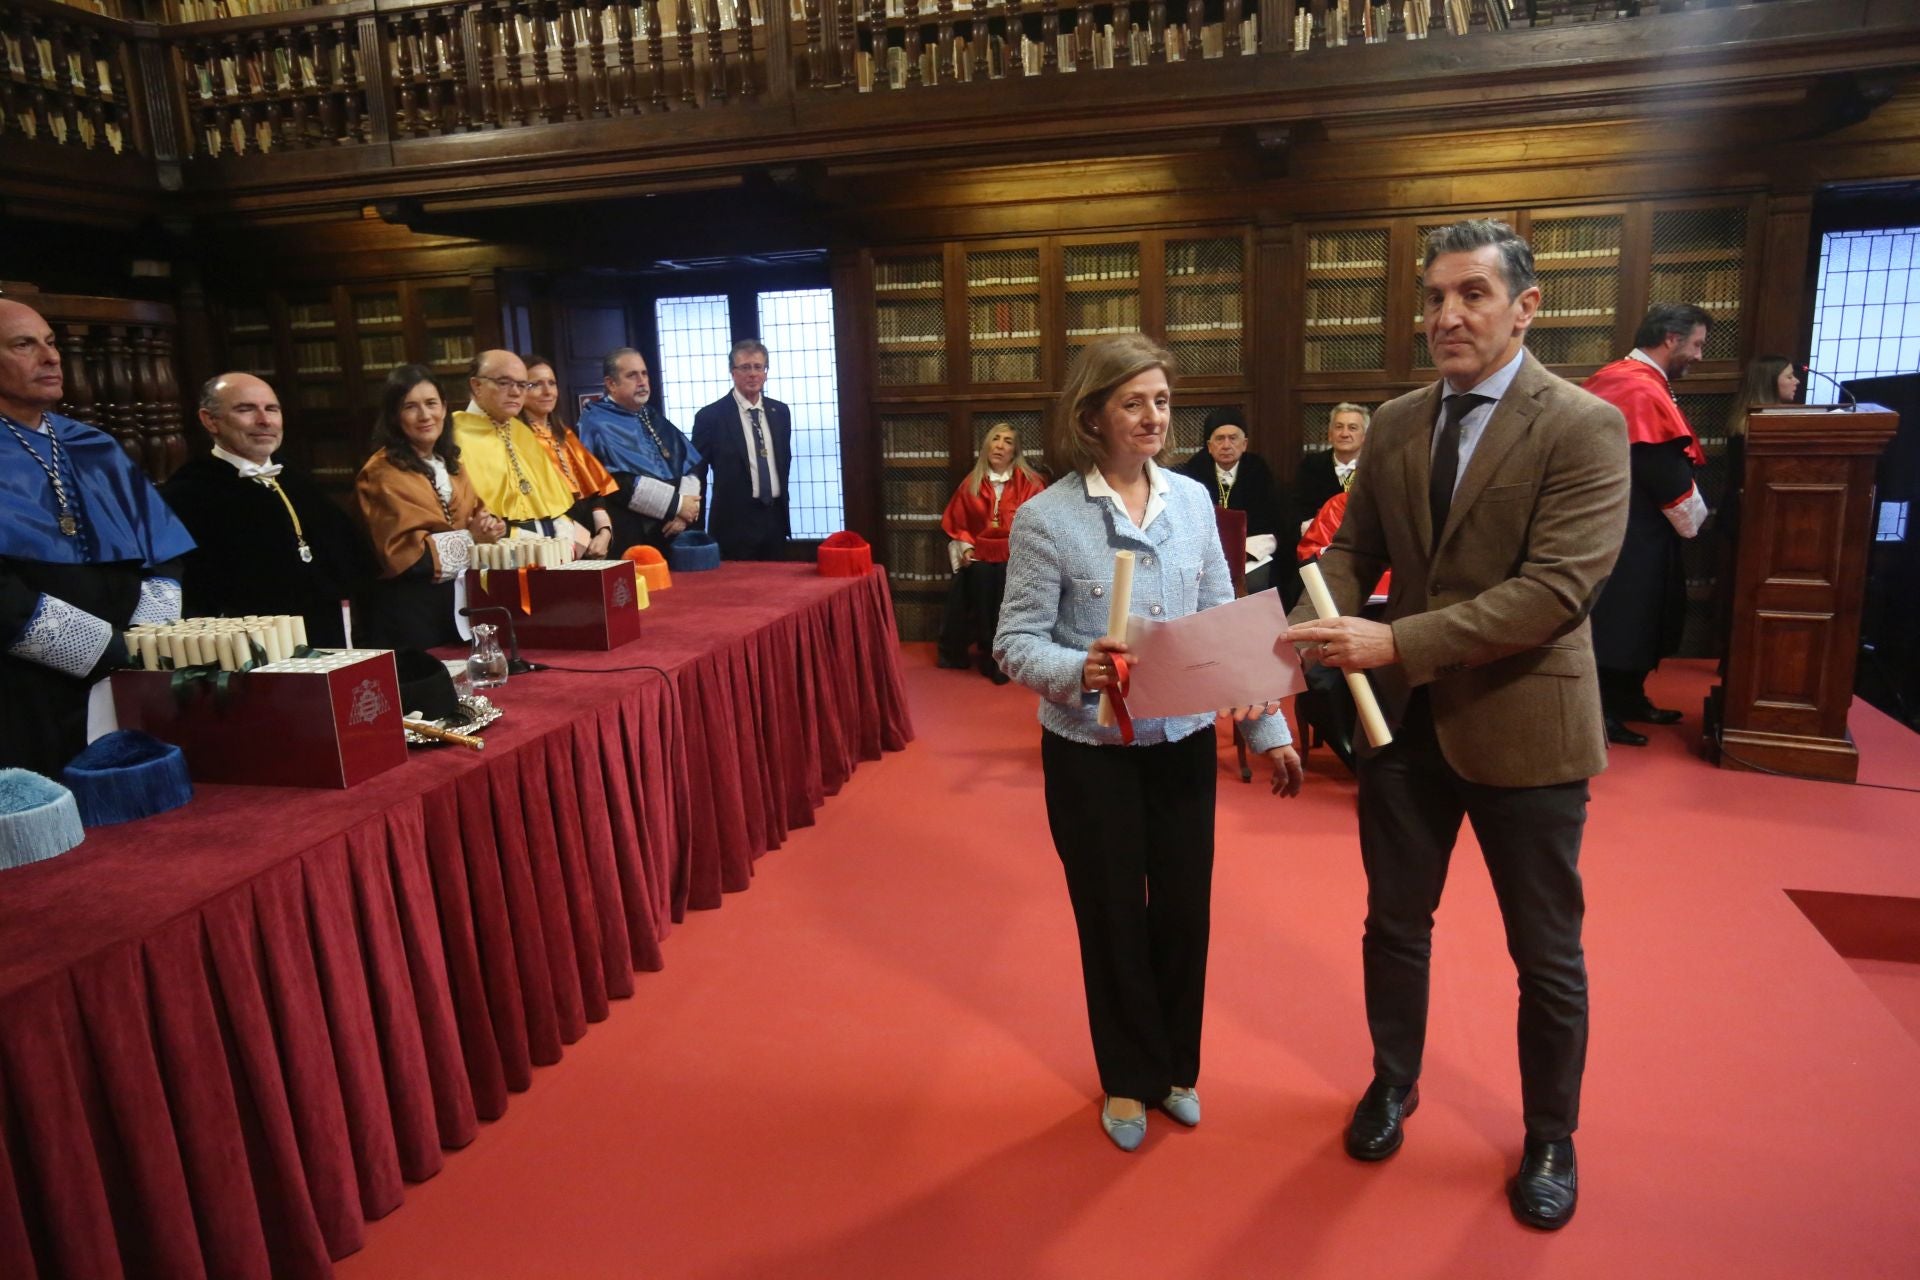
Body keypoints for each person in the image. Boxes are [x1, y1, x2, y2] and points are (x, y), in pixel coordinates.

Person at [1283, 219, 1629, 1230]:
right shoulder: (1394, 422)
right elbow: (1352, 552)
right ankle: (1394, 1081)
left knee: (1546, 952)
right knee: (1395, 921)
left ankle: (1552, 1133)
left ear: (1526, 306)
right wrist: (1308, 619)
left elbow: (1554, 592)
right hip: (1405, 728)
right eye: (1434, 297)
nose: (1446, 315)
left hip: (1527, 723)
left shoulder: (1581, 424)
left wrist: (1396, 641)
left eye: (1472, 294)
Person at [994, 333, 1304, 1155]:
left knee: (1183, 911)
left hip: (1181, 744)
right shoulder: (1045, 517)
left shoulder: (1195, 504)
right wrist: (1080, 667)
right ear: (1091, 415)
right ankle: (1128, 1078)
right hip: (1090, 752)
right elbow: (1015, 642)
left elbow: (1224, 633)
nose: (1152, 417)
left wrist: (1268, 727)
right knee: (1111, 919)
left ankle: (1176, 1069)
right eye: (1133, 402)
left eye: (1162, 401)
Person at [0, 298, 195, 772]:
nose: (51, 357)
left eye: (51, 343)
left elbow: (162, 548)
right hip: (29, 688)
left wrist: (149, 637)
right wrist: (102, 647)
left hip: (131, 671)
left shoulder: (94, 445)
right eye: (25, 345)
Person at [1583, 304, 1714, 746]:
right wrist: (1696, 518)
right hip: (1624, 528)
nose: (1698, 356)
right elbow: (1659, 465)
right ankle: (1601, 711)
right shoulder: (1634, 386)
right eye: (1696, 345)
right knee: (1620, 621)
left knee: (1644, 619)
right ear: (1671, 339)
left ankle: (1628, 697)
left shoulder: (1636, 381)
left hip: (1641, 526)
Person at [161, 372, 369, 647]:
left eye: (272, 409)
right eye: (245, 409)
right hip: (247, 649)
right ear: (210, 420)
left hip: (324, 636)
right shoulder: (188, 493)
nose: (264, 420)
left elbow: (350, 559)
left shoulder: (296, 480)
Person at [354, 366, 506, 650]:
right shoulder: (381, 473)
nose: (425, 416)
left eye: (431, 404)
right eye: (410, 407)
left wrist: (492, 526)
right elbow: (402, 557)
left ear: (445, 408)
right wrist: (472, 539)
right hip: (408, 616)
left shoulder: (451, 465)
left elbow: (476, 516)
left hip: (456, 607)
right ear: (394, 416)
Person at [935, 421, 1045, 682]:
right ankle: (988, 650)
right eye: (996, 439)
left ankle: (1007, 653)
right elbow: (958, 524)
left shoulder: (1031, 483)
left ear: (1015, 451)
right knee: (982, 577)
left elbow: (1041, 522)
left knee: (1005, 579)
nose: (1000, 445)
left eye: (1008, 441)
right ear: (987, 446)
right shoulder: (970, 484)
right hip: (981, 555)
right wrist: (966, 547)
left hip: (1016, 555)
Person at [576, 347, 702, 555]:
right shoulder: (595, 422)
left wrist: (684, 512)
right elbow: (616, 483)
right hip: (632, 532)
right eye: (632, 375)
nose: (642, 381)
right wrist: (678, 505)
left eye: (644, 374)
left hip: (673, 528)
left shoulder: (650, 414)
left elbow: (689, 462)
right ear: (611, 384)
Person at [1712, 356, 1798, 660]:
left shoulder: (1756, 423)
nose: (1796, 382)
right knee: (1745, 589)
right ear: (1769, 382)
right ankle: (1739, 655)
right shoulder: (1755, 428)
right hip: (1749, 515)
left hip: (1757, 515)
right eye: (1789, 376)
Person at [450, 350, 579, 540]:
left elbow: (554, 505)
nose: (516, 392)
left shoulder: (523, 432)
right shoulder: (454, 434)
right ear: (477, 385)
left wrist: (570, 534)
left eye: (522, 384)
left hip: (549, 550)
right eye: (504, 383)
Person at [1173, 406, 1291, 598]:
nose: (1226, 445)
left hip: (1251, 553)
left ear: (1244, 444)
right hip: (1207, 554)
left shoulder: (1258, 471)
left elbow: (1270, 524)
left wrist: (1242, 552)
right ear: (1209, 446)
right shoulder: (1193, 472)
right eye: (1219, 439)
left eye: (1233, 438)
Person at [691, 340, 793, 560]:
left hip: (774, 520)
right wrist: (693, 526)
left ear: (766, 372)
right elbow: (696, 473)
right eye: (745, 367)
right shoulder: (711, 417)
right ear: (732, 372)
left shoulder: (780, 412)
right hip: (733, 526)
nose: (753, 374)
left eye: (759, 367)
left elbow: (784, 463)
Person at [522, 356, 618, 560]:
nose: (547, 391)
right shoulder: (519, 441)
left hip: (591, 539)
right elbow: (535, 508)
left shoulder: (564, 434)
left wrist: (604, 532)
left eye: (551, 383)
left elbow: (594, 490)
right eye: (535, 385)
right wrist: (583, 538)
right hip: (555, 543)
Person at [1294, 402, 1370, 532]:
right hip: (1320, 541)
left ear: (1365, 437)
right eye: (1339, 427)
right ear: (1330, 435)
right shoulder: (1311, 466)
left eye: (1352, 428)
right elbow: (1299, 511)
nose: (1344, 433)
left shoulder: (1374, 467)